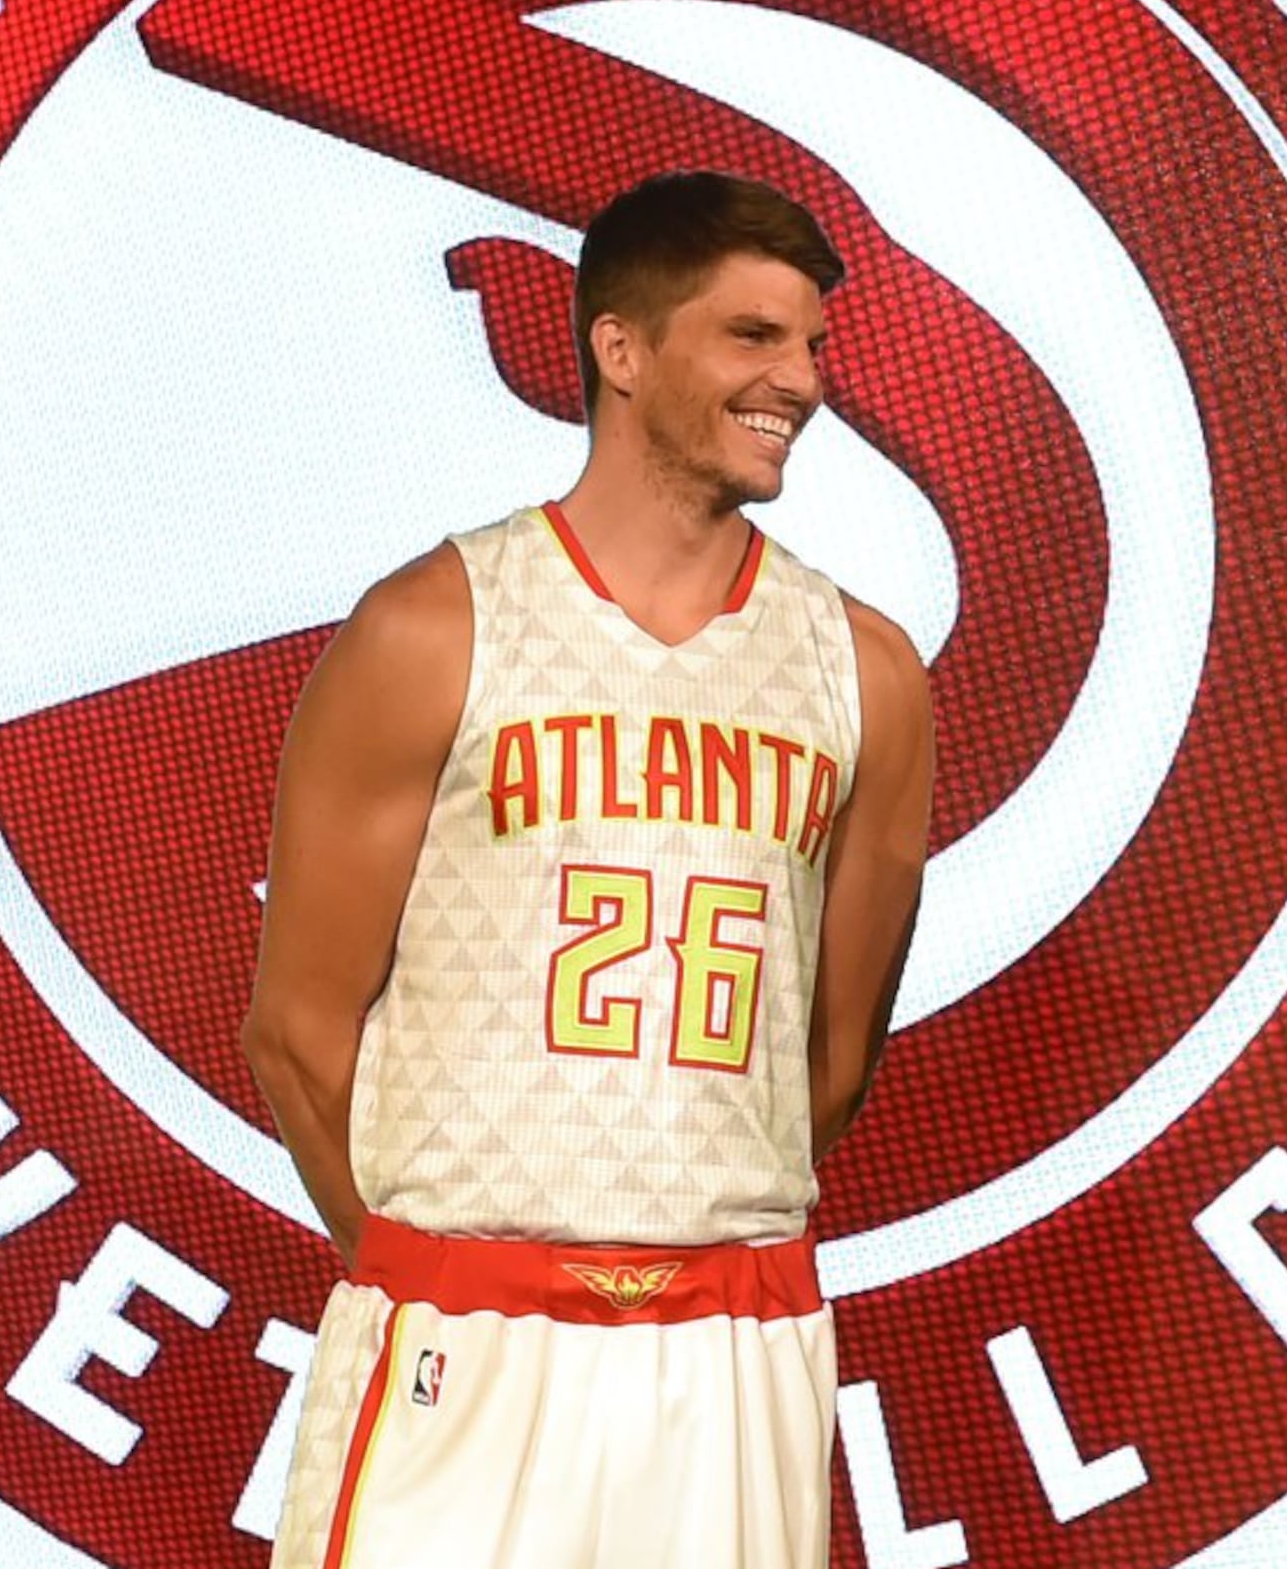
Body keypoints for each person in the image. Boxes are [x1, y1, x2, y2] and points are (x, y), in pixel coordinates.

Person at [246, 171, 936, 1569]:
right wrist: (441, 1268)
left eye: (812, 346)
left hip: (730, 1344)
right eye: (753, 338)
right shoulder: (436, 627)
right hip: (466, 1331)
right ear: (620, 348)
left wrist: (682, 1222)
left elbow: (833, 1057)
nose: (801, 383)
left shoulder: (864, 670)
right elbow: (300, 1031)